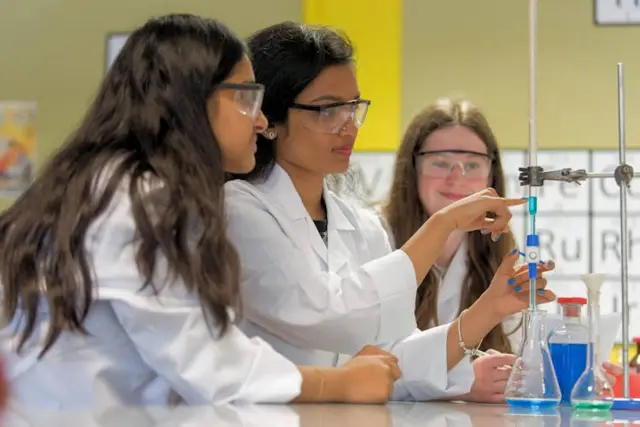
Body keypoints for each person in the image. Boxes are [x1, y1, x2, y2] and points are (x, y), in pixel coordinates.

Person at [0, 14, 403, 410]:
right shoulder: (141, 199)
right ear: (191, 101)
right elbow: (201, 359)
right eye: (246, 98)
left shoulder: (114, 184)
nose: (261, 120)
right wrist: (335, 383)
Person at [224, 21, 556, 402]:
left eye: (353, 108)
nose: (349, 126)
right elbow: (327, 316)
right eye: (328, 110)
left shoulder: (361, 227)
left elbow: (395, 358)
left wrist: (489, 307)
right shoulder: (240, 209)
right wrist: (443, 225)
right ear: (271, 119)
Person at [382, 97, 623, 402]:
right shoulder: (375, 239)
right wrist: (460, 382)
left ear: (491, 174)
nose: (457, 177)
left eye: (472, 164)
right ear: (411, 167)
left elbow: (516, 350)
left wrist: (569, 370)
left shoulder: (497, 250)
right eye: (440, 162)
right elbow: (358, 363)